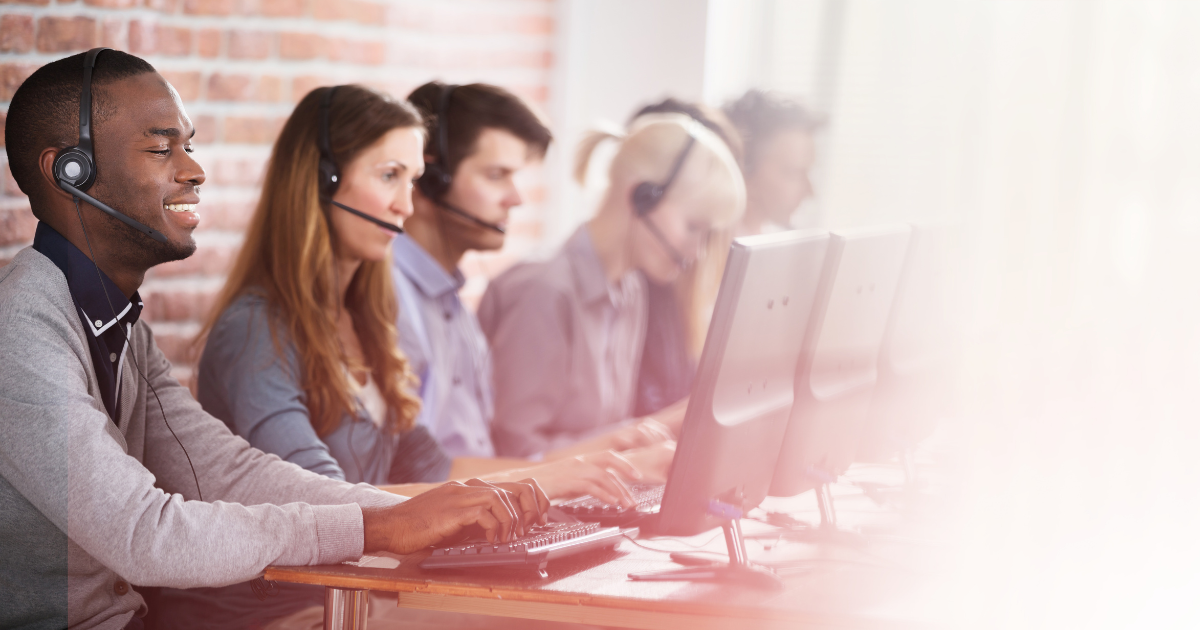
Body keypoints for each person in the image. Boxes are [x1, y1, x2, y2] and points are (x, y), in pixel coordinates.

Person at [0, 50, 545, 630]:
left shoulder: (119, 324)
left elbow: (226, 474)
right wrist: (379, 527)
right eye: (162, 149)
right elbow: (147, 534)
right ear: (70, 172)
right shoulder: (22, 331)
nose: (193, 170)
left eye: (189, 145)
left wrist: (414, 512)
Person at [149, 84, 650, 628]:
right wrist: (544, 482)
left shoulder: (369, 320)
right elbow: (331, 505)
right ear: (323, 180)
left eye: (411, 182)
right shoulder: (254, 331)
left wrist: (561, 474)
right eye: (389, 176)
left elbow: (435, 468)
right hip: (278, 610)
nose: (406, 206)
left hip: (361, 591)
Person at [396, 81, 676, 465]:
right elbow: (413, 481)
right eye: (496, 175)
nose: (516, 197)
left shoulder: (454, 310)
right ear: (428, 179)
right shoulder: (388, 299)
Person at [478, 113, 746, 458]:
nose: (697, 251)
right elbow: (513, 458)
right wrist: (661, 428)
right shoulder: (543, 291)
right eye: (694, 226)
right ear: (640, 197)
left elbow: (604, 432)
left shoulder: (631, 288)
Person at [722, 89, 824, 233]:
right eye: (794, 174)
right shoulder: (705, 252)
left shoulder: (781, 241)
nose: (810, 191)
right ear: (743, 170)